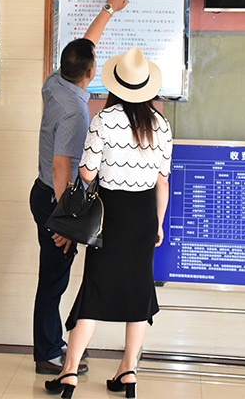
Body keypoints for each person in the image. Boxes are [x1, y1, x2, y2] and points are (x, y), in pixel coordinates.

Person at [45, 47, 173, 399]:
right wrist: (158, 224)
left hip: (110, 215)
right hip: (144, 215)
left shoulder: (103, 120)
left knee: (95, 289)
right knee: (139, 291)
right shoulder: (161, 125)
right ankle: (128, 371)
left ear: (116, 85)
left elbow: (86, 174)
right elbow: (162, 182)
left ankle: (69, 372)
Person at [30, 0, 129, 375]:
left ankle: (53, 343)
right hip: (55, 198)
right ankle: (48, 352)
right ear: (91, 72)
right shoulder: (75, 112)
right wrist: (64, 221)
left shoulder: (55, 81)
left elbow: (85, 46)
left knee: (54, 276)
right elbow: (61, 167)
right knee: (53, 280)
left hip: (45, 193)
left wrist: (109, 8)